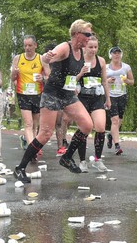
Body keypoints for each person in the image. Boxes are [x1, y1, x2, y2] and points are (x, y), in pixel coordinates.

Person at [13, 20, 95, 183]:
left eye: (90, 35)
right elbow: (47, 57)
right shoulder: (65, 47)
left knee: (87, 125)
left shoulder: (81, 51)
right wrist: (47, 56)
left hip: (67, 94)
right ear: (77, 34)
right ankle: (20, 168)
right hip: (52, 94)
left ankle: (67, 157)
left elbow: (71, 75)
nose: (89, 38)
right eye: (87, 35)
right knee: (45, 133)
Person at [69, 36, 111, 172]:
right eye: (90, 47)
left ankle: (98, 160)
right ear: (84, 47)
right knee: (85, 128)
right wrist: (80, 73)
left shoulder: (101, 61)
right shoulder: (78, 60)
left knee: (100, 127)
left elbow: (104, 81)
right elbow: (70, 80)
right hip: (82, 98)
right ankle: (82, 161)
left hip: (97, 97)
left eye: (95, 47)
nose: (93, 50)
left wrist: (108, 98)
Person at [10, 35, 46, 154]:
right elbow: (12, 78)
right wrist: (14, 73)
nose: (27, 48)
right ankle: (33, 150)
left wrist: (43, 78)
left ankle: (28, 141)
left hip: (37, 94)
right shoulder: (18, 58)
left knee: (35, 124)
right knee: (28, 123)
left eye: (30, 45)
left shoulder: (41, 59)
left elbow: (50, 76)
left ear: (35, 45)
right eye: (25, 45)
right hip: (23, 93)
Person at [106, 46, 134, 155]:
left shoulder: (126, 67)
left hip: (122, 95)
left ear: (121, 55)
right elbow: (101, 81)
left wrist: (126, 80)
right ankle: (117, 146)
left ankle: (110, 135)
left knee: (120, 120)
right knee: (115, 120)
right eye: (114, 53)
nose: (116, 55)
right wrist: (108, 80)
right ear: (111, 55)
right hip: (110, 95)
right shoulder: (106, 67)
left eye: (118, 53)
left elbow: (132, 81)